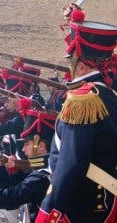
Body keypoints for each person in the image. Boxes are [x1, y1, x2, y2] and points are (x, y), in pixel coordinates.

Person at [36, 10, 117, 223]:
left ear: (80, 65)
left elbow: (70, 164)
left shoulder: (82, 100)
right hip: (108, 201)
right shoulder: (110, 95)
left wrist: (51, 210)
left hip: (84, 206)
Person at [0, 102, 57, 222]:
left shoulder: (42, 175)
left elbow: (7, 200)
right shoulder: (44, 170)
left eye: (27, 144)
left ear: (41, 146)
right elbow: (22, 188)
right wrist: (13, 171)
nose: (23, 149)